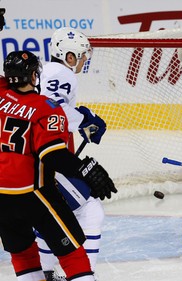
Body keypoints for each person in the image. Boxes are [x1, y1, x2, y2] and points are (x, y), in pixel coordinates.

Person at [0, 50, 116, 281]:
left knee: (23, 255)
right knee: (73, 253)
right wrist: (86, 170)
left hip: (1, 197)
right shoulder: (47, 108)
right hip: (33, 194)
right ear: (34, 76)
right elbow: (52, 155)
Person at [37, 27, 108, 280]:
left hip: (33, 158)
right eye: (80, 55)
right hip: (42, 159)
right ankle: (81, 275)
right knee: (90, 210)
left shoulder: (46, 70)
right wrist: (84, 120)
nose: (84, 59)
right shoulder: (61, 73)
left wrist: (82, 119)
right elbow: (51, 111)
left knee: (57, 211)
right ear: (68, 56)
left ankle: (44, 272)